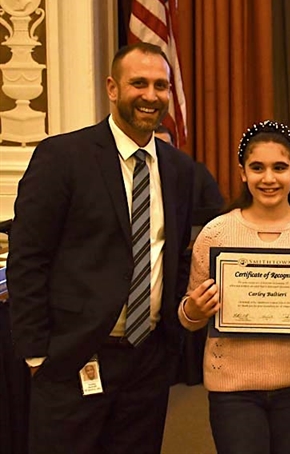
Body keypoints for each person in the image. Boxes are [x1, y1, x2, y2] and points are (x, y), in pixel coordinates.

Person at [8, 42, 194, 454]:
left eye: (160, 85)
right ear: (112, 88)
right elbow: (28, 258)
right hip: (72, 358)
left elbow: (178, 253)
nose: (151, 95)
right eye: (139, 83)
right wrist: (37, 354)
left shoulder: (179, 169)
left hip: (148, 361)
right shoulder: (63, 157)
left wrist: (171, 339)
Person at [177, 120, 290, 454]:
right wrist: (194, 309)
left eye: (279, 167)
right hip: (232, 387)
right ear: (242, 173)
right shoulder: (215, 234)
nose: (268, 178)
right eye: (257, 168)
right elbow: (188, 317)